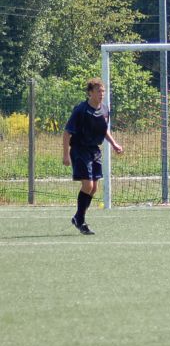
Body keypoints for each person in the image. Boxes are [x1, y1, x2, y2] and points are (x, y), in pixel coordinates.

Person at [62, 78, 123, 235]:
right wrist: (66, 155)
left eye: (103, 91)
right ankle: (80, 220)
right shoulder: (81, 110)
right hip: (79, 149)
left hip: (94, 150)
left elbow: (104, 131)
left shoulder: (104, 110)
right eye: (98, 91)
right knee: (88, 186)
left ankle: (78, 218)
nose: (101, 94)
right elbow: (67, 132)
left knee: (94, 188)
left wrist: (114, 144)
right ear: (90, 93)